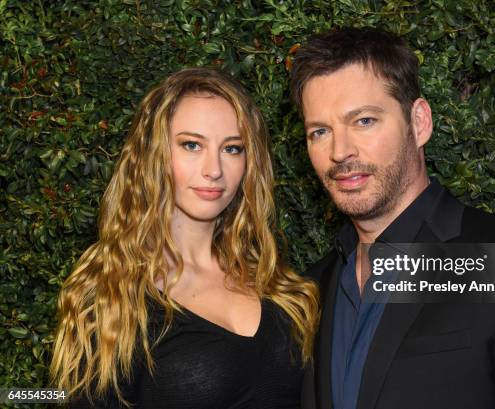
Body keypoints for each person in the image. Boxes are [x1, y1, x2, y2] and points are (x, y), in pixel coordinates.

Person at [290, 27, 495, 409]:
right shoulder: (312, 289)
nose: (340, 151)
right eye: (320, 131)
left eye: (365, 121)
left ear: (419, 122)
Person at [50, 67, 319, 408]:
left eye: (232, 149)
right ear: (154, 154)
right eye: (192, 145)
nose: (214, 169)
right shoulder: (111, 297)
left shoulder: (276, 281)